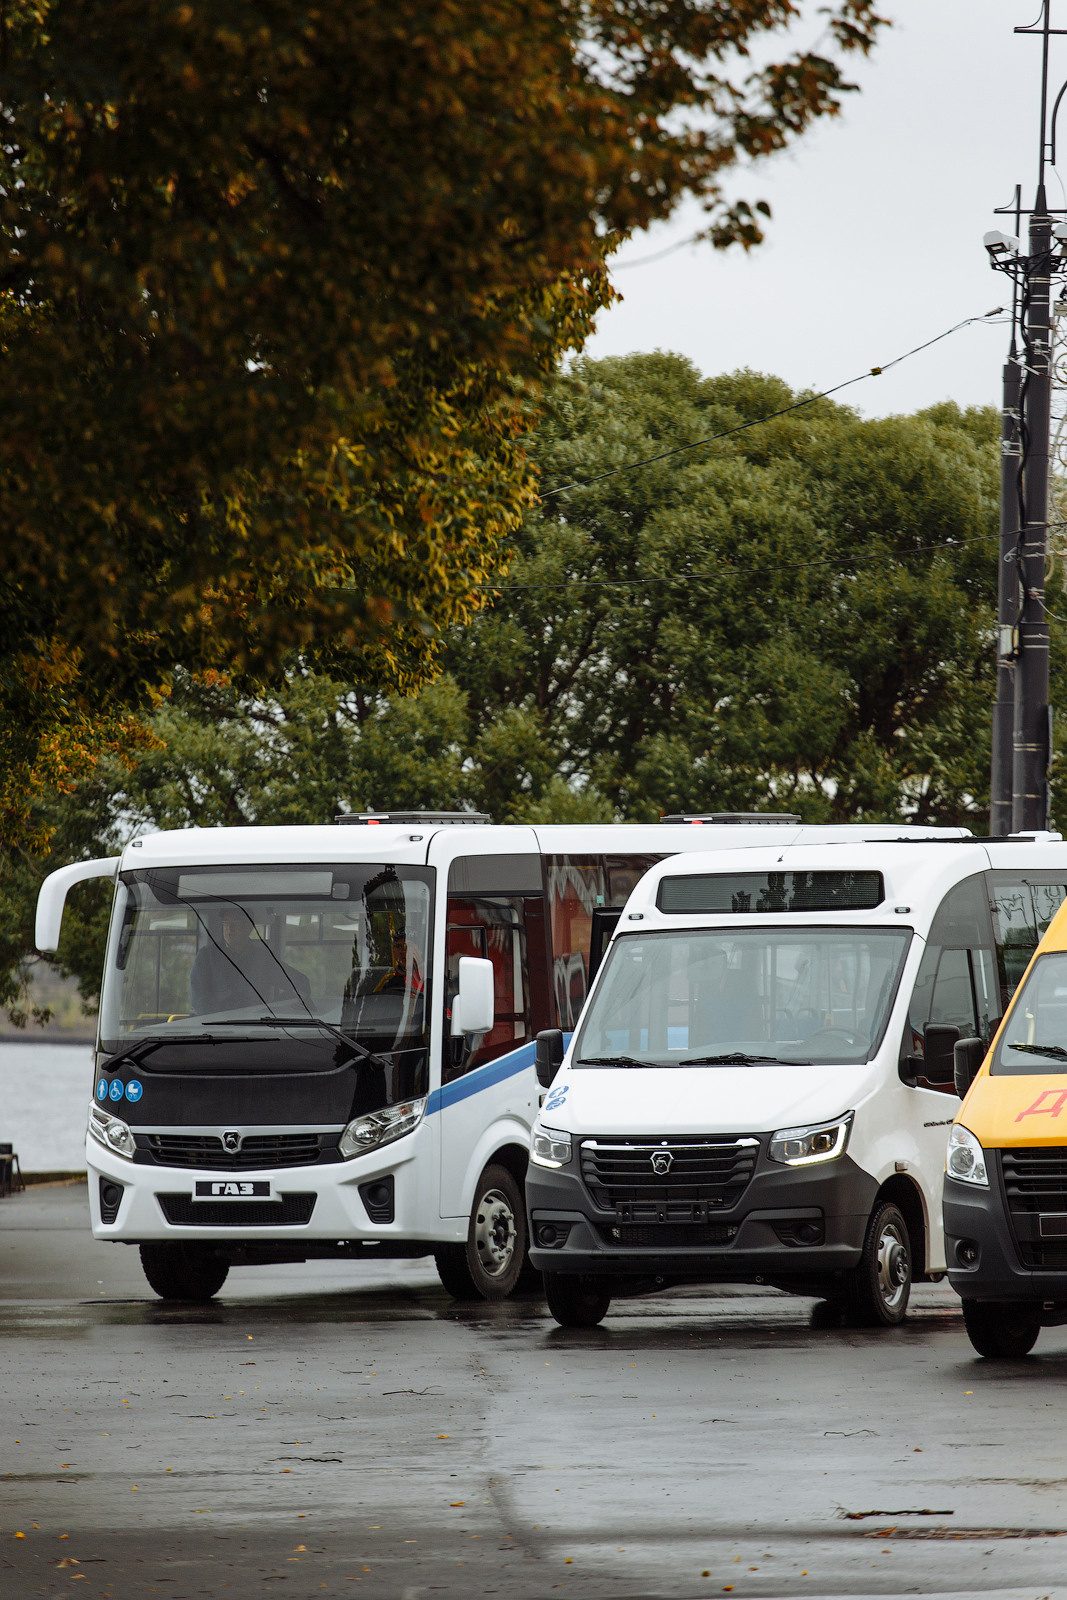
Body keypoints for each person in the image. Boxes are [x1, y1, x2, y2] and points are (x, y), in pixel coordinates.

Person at [189, 907, 311, 1016]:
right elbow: (199, 1000)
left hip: (255, 1026)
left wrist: (272, 1008)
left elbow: (301, 982)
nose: (229, 929)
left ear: (249, 926)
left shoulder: (263, 959)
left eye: (236, 923)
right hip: (216, 1029)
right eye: (225, 923)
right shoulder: (207, 956)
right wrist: (221, 1022)